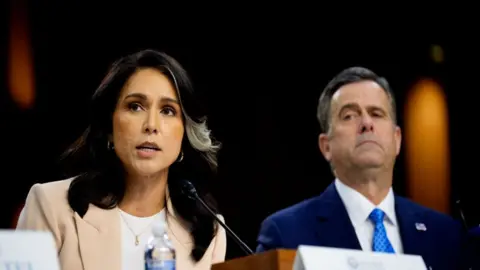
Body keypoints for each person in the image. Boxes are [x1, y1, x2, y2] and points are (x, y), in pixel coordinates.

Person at [16, 49, 227, 270]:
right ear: (109, 127)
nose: (151, 125)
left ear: (184, 133)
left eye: (167, 110)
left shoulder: (209, 230)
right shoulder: (49, 204)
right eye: (135, 106)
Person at [256, 67, 471, 269]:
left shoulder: (446, 234)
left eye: (377, 113)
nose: (366, 123)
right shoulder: (286, 234)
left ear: (397, 140)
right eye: (349, 115)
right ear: (326, 146)